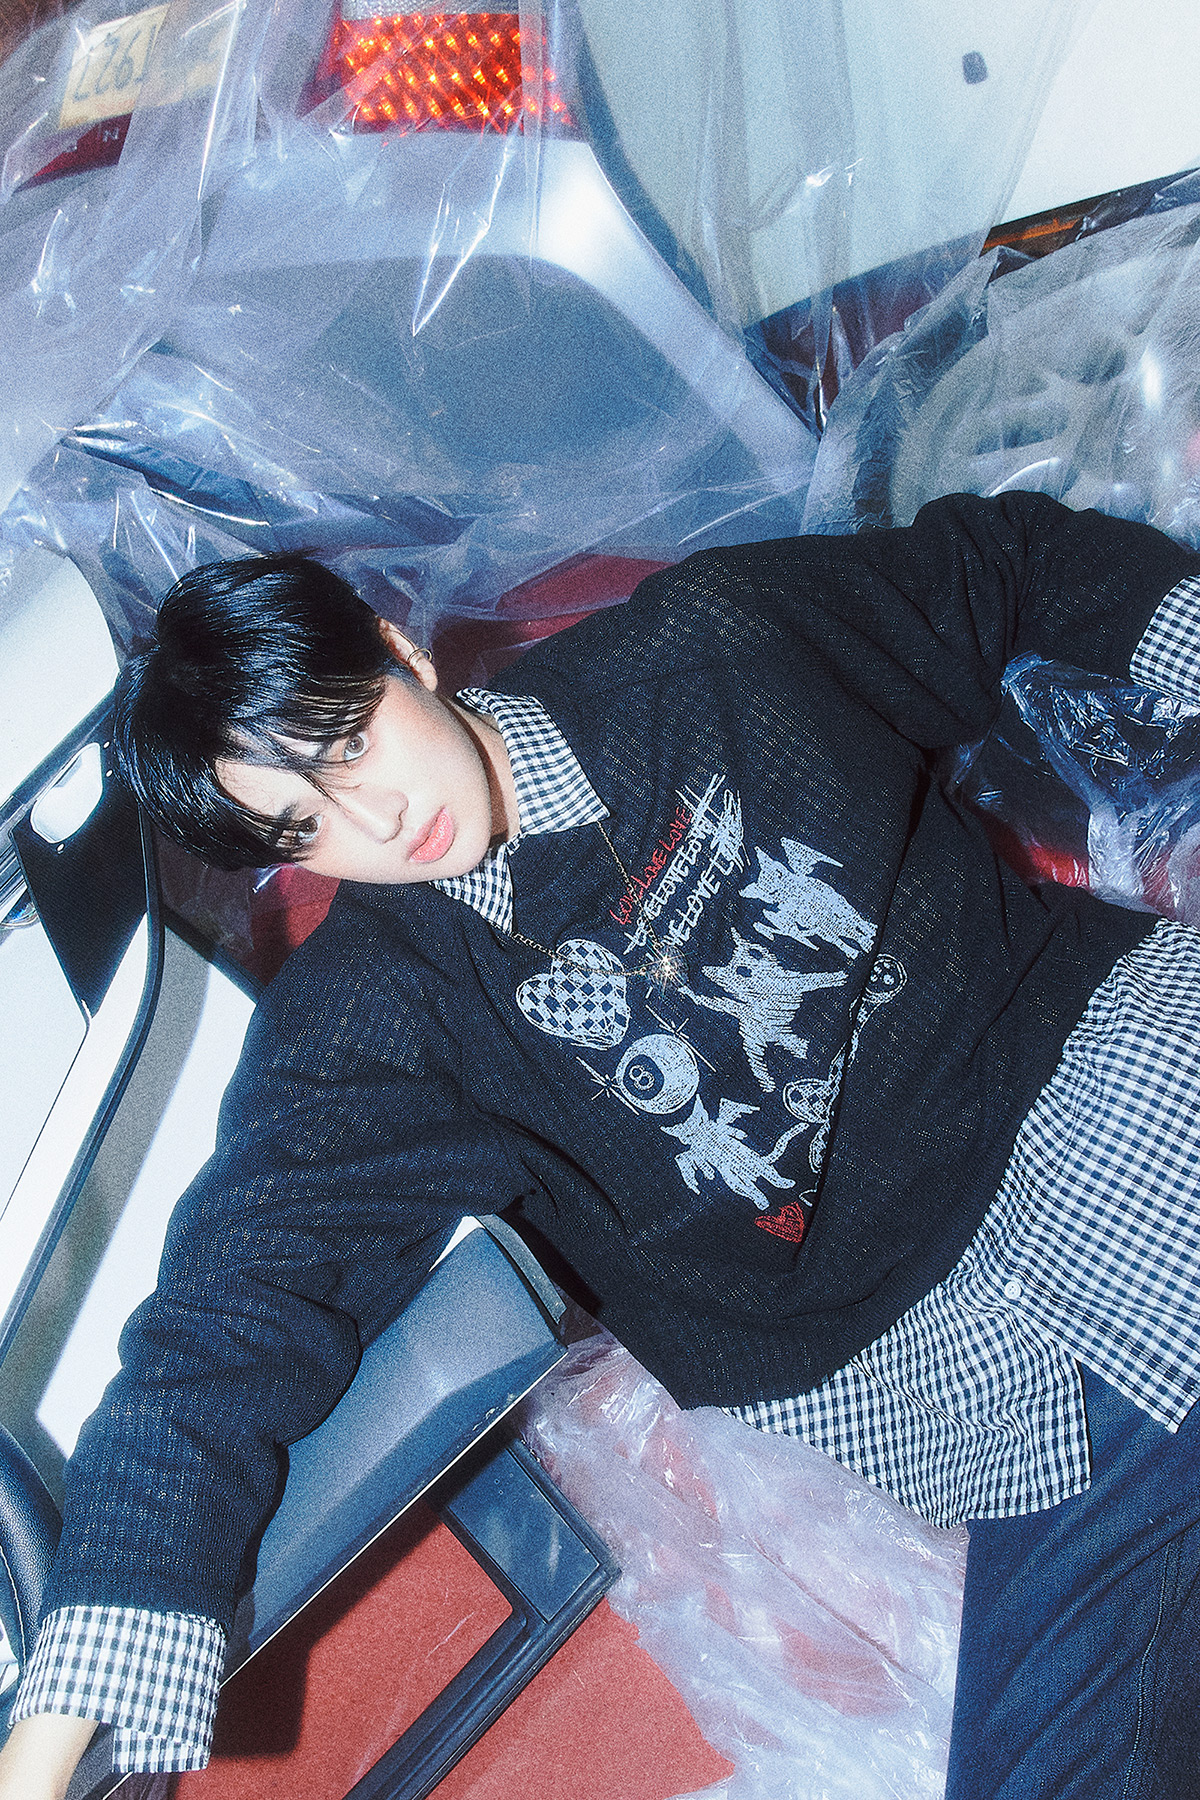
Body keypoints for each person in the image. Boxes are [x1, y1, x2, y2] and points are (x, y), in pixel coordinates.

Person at [4, 490, 1200, 1800]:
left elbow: (1001, 570)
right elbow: (231, 1317)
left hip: (1115, 1105)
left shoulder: (708, 652)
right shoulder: (378, 1018)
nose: (376, 820)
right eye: (304, 825)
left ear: (400, 656)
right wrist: (47, 1742)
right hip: (968, 1381)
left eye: (348, 739)